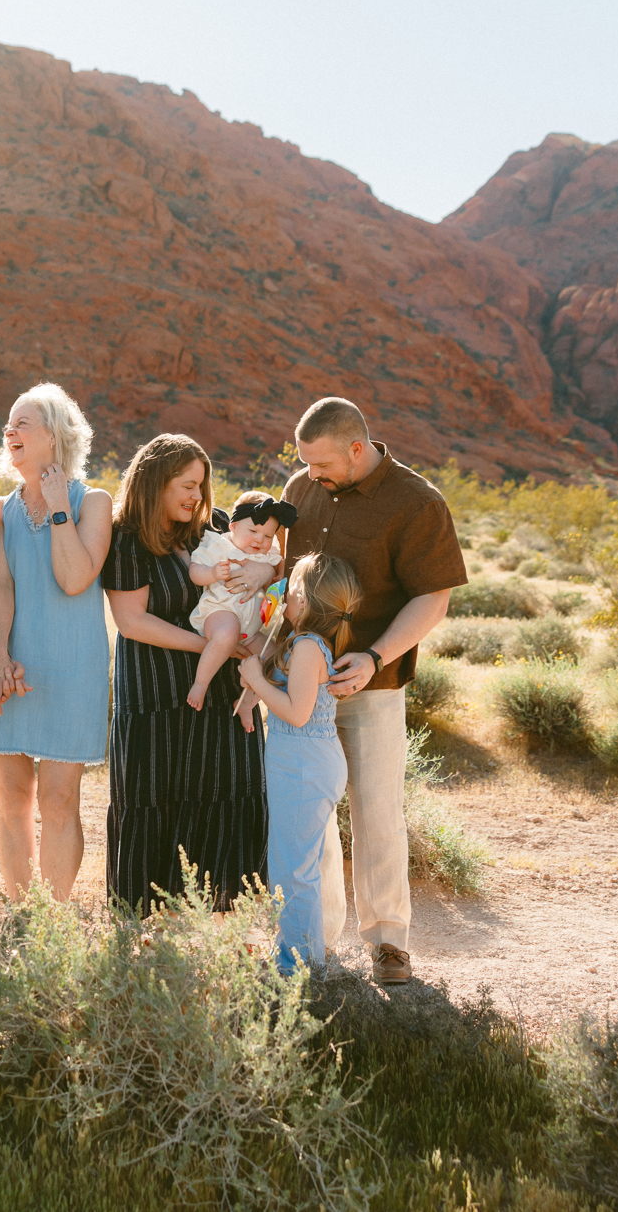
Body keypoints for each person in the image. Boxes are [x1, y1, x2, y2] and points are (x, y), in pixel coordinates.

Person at [276, 397, 466, 986]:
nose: (310, 475)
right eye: (305, 463)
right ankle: (319, 938)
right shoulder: (300, 489)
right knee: (313, 814)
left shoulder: (416, 502)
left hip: (372, 682)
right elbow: (289, 580)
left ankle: (388, 943)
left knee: (377, 809)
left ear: (357, 449)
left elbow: (433, 596)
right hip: (306, 684)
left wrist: (377, 654)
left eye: (322, 463)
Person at [99, 434, 273, 915]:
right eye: (187, 485)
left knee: (227, 786)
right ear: (155, 482)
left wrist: (263, 579)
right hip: (154, 685)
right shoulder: (128, 539)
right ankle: (143, 919)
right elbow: (132, 621)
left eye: (201, 485)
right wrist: (214, 647)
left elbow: (265, 559)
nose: (197, 496)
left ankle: (225, 915)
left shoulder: (215, 528)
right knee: (152, 792)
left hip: (219, 688)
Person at [0, 383, 112, 903]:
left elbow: (75, 578)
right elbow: (0, 585)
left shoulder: (92, 502)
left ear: (54, 437)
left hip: (71, 666)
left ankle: (53, 920)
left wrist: (58, 508)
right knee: (10, 797)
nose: (10, 431)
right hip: (10, 662)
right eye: (8, 424)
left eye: (23, 423)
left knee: (58, 800)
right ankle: (19, 913)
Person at [239, 553, 362, 974]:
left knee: (294, 870)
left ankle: (300, 965)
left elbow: (297, 711)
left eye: (287, 593)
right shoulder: (299, 642)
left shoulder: (309, 647)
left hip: (306, 765)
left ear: (304, 603)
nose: (282, 598)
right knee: (289, 864)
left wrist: (255, 680)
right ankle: (296, 954)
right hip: (300, 762)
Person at [185, 491, 296, 711]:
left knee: (275, 659)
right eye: (253, 531)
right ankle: (200, 683)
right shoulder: (219, 547)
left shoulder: (268, 556)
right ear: (233, 526)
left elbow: (279, 574)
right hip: (220, 613)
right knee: (226, 635)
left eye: (267, 536)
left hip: (251, 631)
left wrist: (273, 572)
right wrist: (213, 573)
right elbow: (195, 572)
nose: (259, 540)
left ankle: (248, 702)